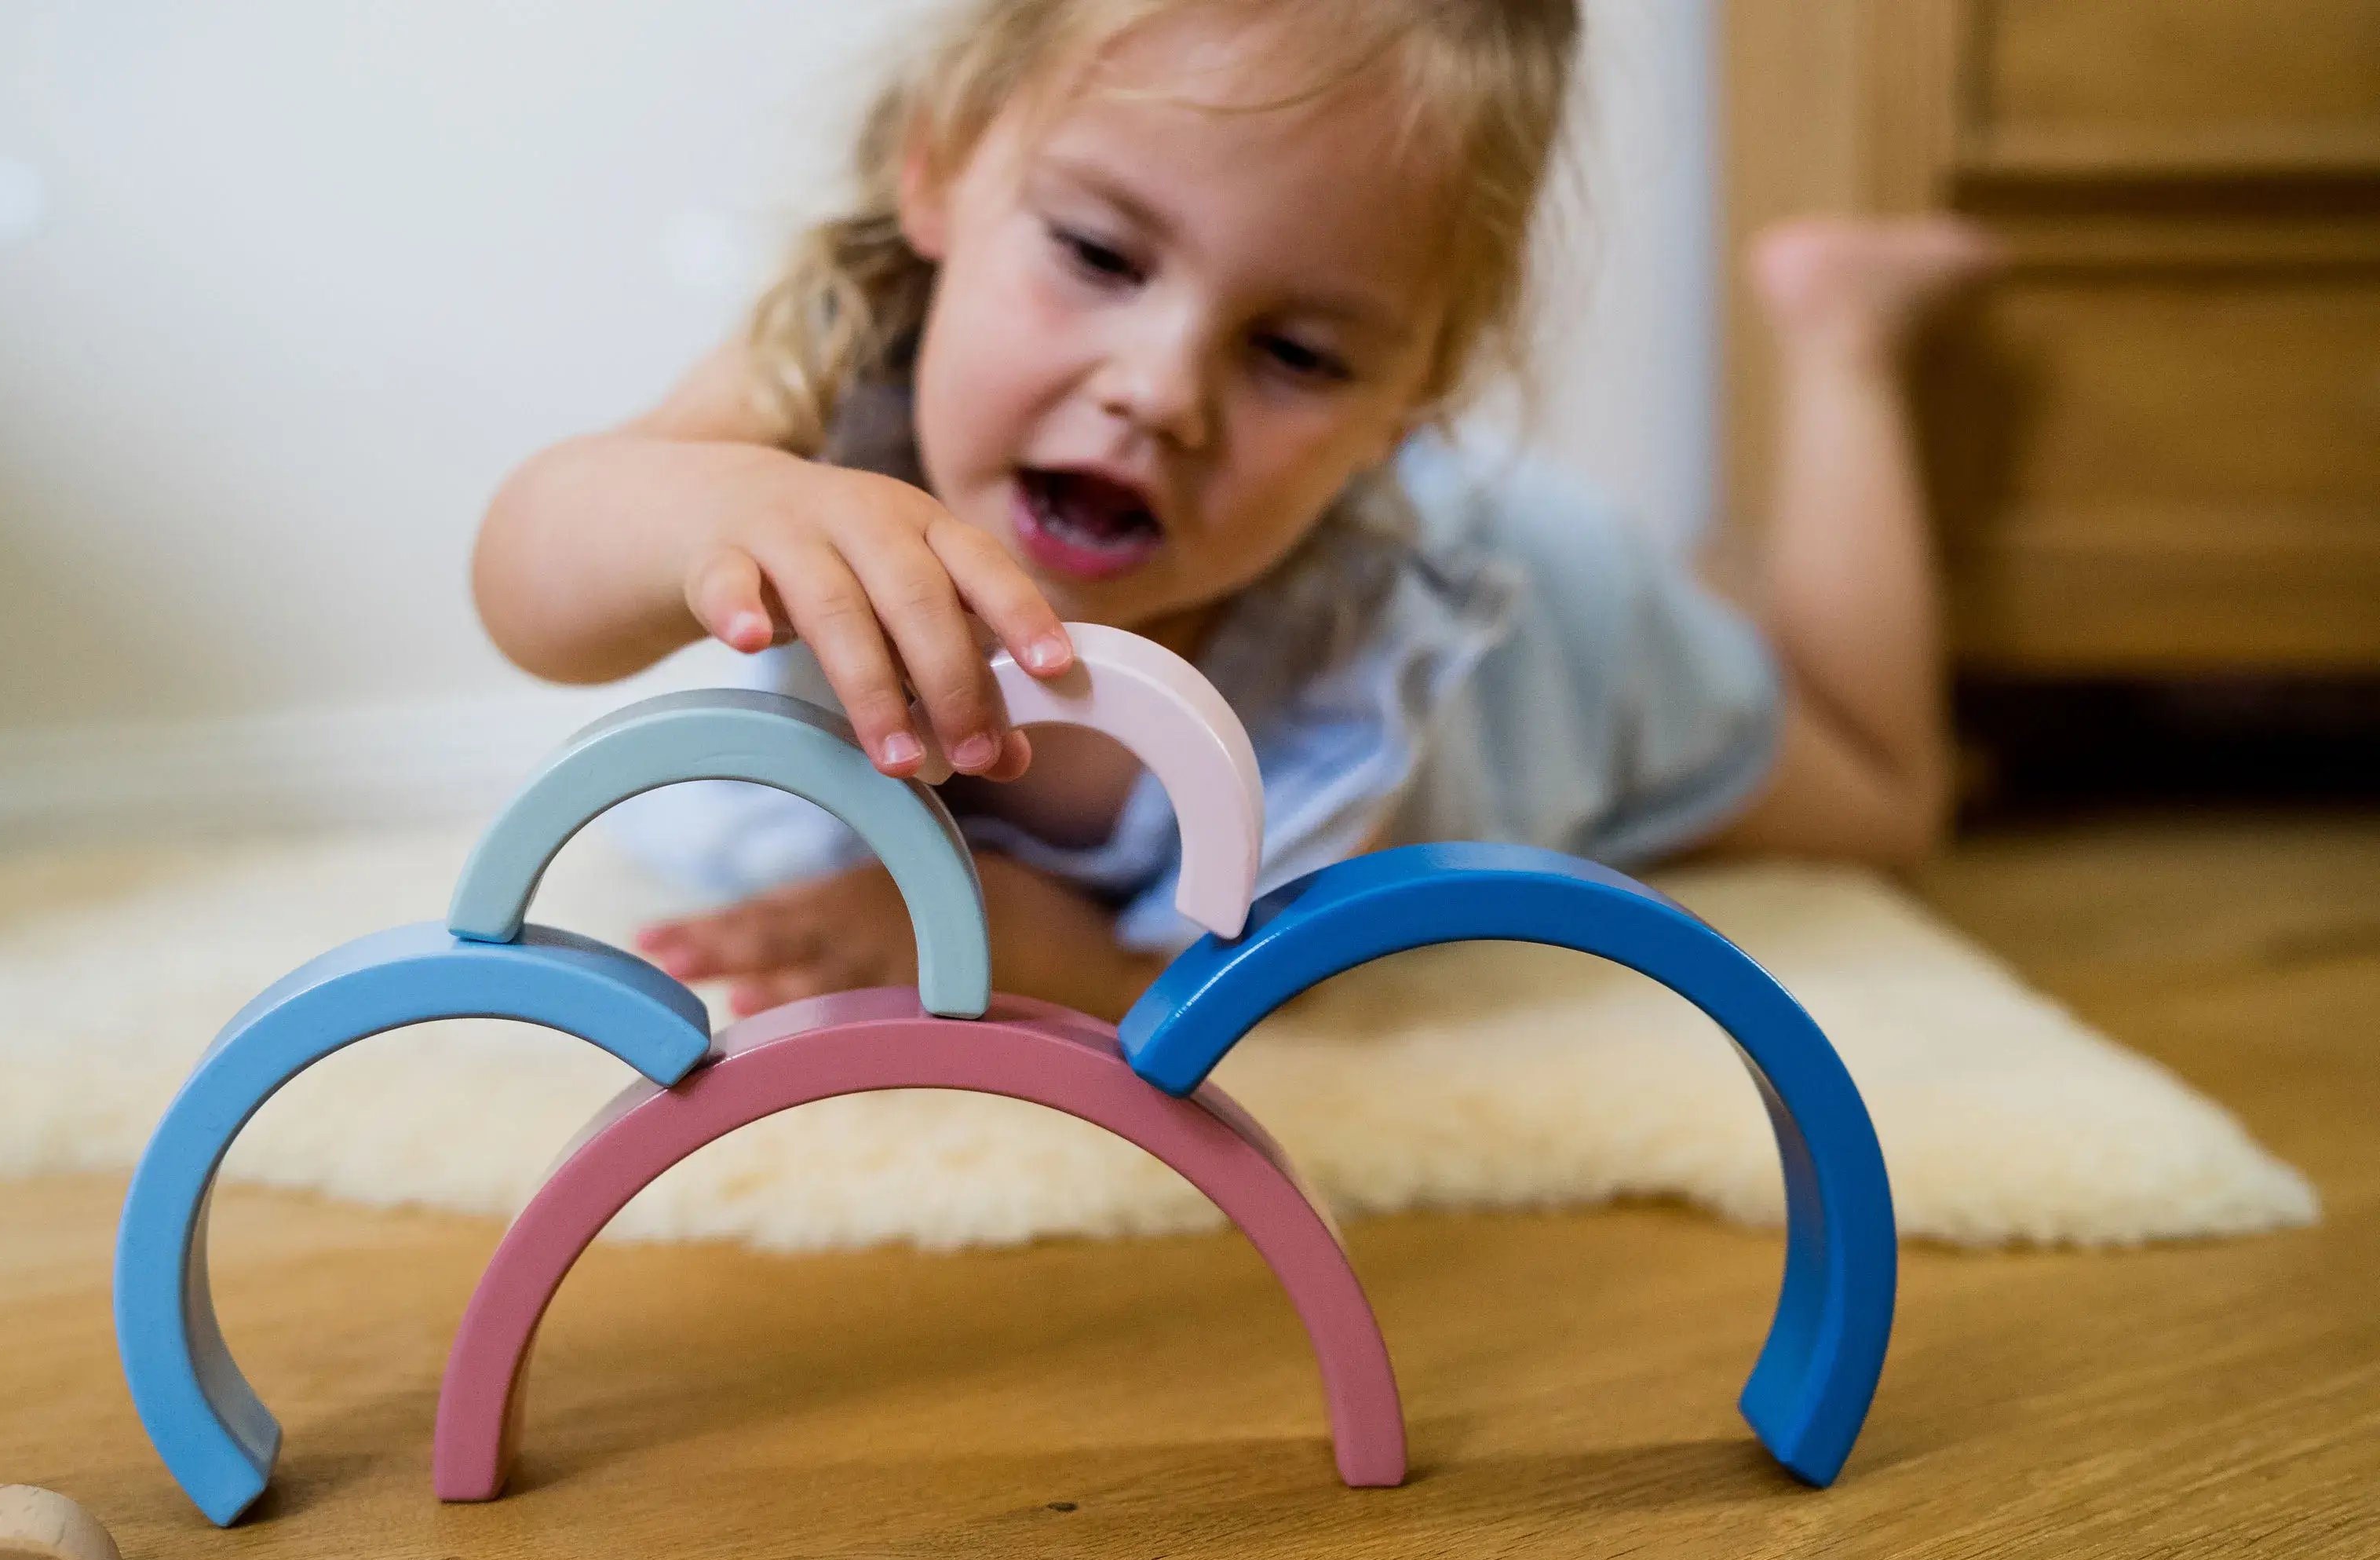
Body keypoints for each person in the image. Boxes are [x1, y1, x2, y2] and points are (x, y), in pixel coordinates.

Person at [470, 0, 1998, 1021]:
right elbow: (530, 589)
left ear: (1410, 398)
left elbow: (1263, 990)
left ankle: (1838, 334)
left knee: (1884, 801)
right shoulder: (829, 367)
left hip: (1571, 641)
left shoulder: (1364, 652)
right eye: (1099, 255)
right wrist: (720, 500)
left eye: (1298, 353)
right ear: (937, 171)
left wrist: (1028, 930)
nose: (1159, 390)